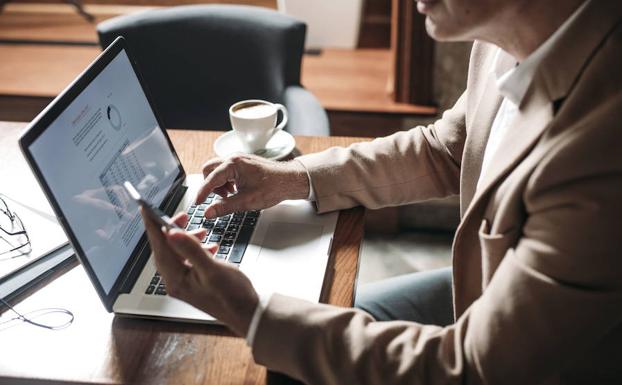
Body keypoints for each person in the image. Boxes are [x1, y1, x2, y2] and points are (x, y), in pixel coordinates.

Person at [141, 0, 622, 383]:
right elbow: (446, 149)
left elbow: (474, 370)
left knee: (275, 357)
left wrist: (246, 310)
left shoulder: (599, 150)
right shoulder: (507, 42)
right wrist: (291, 177)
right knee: (309, 324)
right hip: (486, 299)